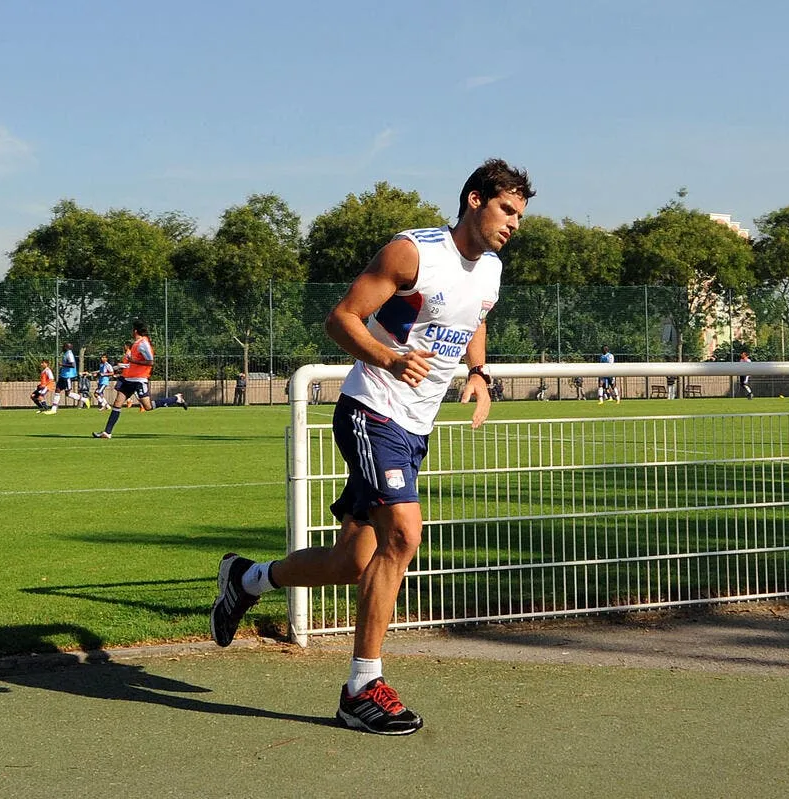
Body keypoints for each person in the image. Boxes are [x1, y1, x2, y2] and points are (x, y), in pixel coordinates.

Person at [210, 158, 534, 735]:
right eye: (507, 210)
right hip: (370, 410)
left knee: (353, 561)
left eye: (520, 215)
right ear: (475, 200)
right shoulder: (414, 252)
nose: (514, 223)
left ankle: (246, 579)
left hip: (415, 428)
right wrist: (389, 358)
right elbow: (343, 319)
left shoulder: (490, 271)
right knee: (406, 534)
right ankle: (362, 686)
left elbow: (474, 317)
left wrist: (478, 374)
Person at [92, 320, 188, 439]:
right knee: (117, 403)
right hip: (128, 379)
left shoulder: (143, 343)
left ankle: (176, 398)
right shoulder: (136, 343)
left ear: (135, 331)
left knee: (147, 406)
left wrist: (133, 361)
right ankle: (107, 432)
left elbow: (150, 361)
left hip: (139, 380)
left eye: (132, 330)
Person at [45, 343, 87, 414]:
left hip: (68, 376)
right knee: (57, 390)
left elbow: (72, 365)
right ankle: (53, 409)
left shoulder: (69, 354)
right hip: (63, 375)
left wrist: (62, 365)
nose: (62, 348)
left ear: (66, 347)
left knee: (68, 394)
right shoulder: (66, 353)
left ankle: (84, 399)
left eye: (63, 347)